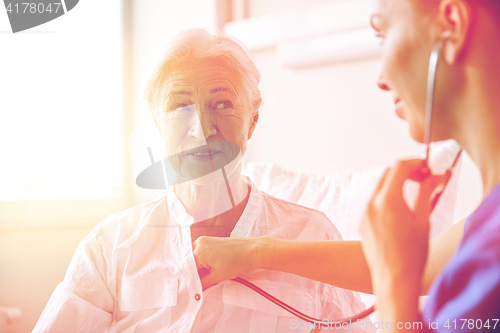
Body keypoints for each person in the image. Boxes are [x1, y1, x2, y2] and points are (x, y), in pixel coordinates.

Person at [32, 29, 373, 333]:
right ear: (157, 123)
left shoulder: (311, 235)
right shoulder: (109, 247)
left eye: (223, 104)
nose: (202, 130)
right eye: (181, 107)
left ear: (252, 121)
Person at [193, 0, 500, 331]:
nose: (381, 78)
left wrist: (396, 288)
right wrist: (254, 251)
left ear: (451, 25)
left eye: (383, 34)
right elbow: (424, 263)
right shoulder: (486, 227)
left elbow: (403, 272)